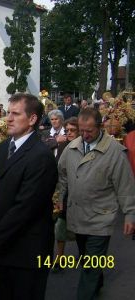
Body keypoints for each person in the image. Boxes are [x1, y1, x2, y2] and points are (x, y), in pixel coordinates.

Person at [0, 93, 58, 300]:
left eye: (15, 114)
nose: (7, 119)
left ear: (32, 119)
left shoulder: (41, 156)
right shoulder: (3, 148)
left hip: (28, 252)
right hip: (5, 248)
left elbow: (24, 208)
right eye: (8, 113)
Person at [58, 108, 135, 299]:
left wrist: (130, 214)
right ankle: (96, 280)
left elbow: (125, 185)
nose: (84, 135)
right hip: (78, 216)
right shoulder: (72, 147)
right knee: (88, 260)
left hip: (101, 217)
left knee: (91, 265)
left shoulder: (115, 152)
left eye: (89, 131)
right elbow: (63, 175)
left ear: (100, 127)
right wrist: (60, 199)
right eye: (81, 130)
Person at [52, 117, 79, 271]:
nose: (69, 133)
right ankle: (59, 258)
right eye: (67, 130)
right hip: (65, 191)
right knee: (60, 225)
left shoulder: (85, 146)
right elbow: (58, 167)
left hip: (81, 193)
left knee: (83, 229)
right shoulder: (63, 145)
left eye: (72, 130)